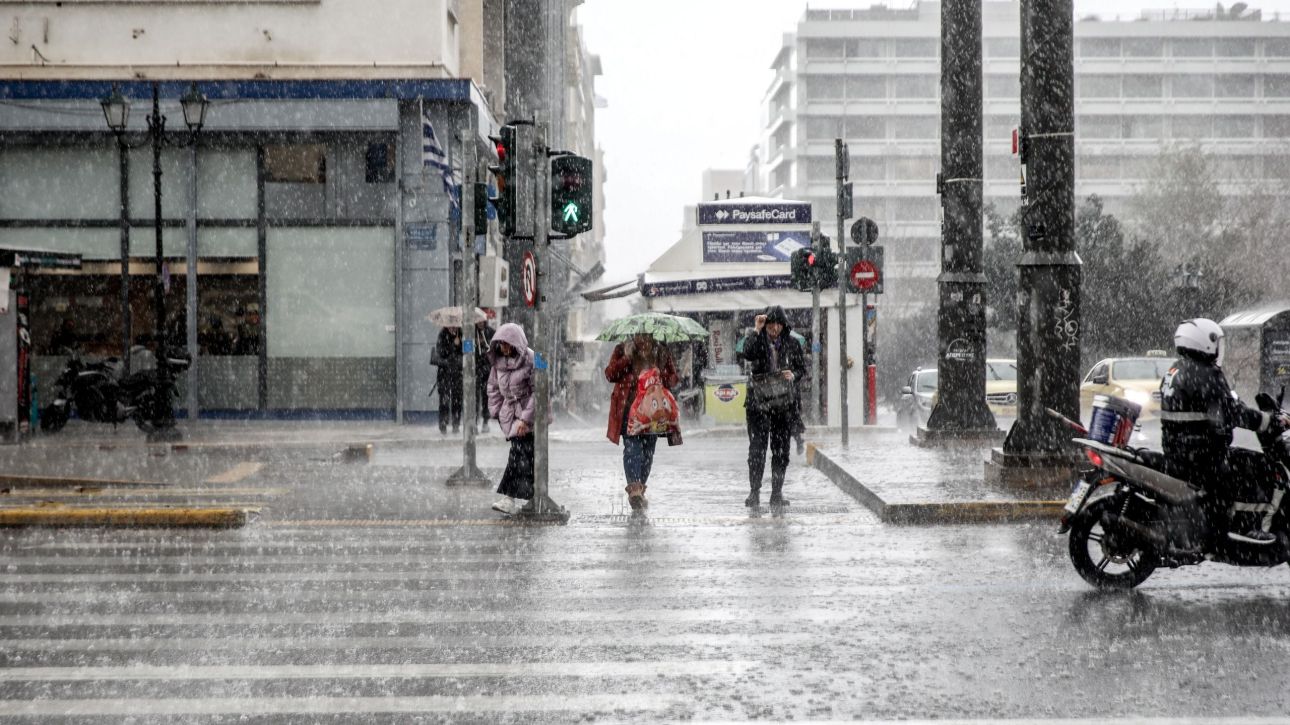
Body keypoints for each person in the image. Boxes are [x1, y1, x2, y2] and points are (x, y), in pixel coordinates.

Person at [1161, 318, 1289, 545]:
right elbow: (1232, 412)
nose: (1220, 349)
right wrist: (1268, 421)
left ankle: (1222, 525)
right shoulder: (1207, 374)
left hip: (1180, 450)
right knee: (1260, 467)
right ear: (1204, 342)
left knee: (1241, 464)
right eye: (1216, 342)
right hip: (1203, 456)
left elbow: (1217, 409)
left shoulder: (1176, 368)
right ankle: (1250, 527)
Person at [742, 305, 807, 509]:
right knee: (757, 450)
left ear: (784, 325)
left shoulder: (793, 344)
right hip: (758, 404)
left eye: (779, 324)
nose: (775, 328)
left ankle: (777, 493)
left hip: (784, 405)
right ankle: (754, 492)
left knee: (781, 451)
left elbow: (801, 369)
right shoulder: (757, 339)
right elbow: (747, 353)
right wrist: (756, 329)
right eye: (771, 324)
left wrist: (793, 375)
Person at [605, 332, 678, 510]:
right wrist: (627, 358)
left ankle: (640, 489)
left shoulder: (661, 351)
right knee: (632, 448)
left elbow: (672, 379)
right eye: (638, 334)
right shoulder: (623, 349)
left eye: (645, 334)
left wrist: (662, 375)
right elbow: (610, 374)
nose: (642, 338)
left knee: (648, 452)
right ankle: (634, 490)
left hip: (653, 412)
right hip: (628, 409)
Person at [487, 323, 536, 515]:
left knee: (520, 456)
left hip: (528, 417)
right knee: (522, 456)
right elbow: (493, 388)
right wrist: (498, 412)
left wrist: (525, 419)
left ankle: (510, 498)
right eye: (500, 344)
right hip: (511, 415)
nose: (504, 348)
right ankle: (529, 497)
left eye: (507, 344)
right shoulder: (498, 363)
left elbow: (538, 391)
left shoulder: (532, 359)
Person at [433, 325, 464, 435]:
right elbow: (440, 352)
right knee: (444, 401)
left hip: (458, 374)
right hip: (444, 374)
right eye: (451, 326)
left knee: (457, 400)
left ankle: (456, 424)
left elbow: (468, 352)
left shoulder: (462, 333)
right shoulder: (442, 334)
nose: (453, 328)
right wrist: (452, 345)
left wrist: (460, 344)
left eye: (455, 326)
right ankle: (443, 424)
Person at [474, 319, 494, 433]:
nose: (480, 323)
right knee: (475, 398)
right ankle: (475, 422)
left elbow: (494, 349)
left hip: (487, 371)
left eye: (482, 321)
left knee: (486, 397)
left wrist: (485, 344)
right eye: (478, 321)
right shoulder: (471, 333)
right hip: (475, 371)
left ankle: (485, 421)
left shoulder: (490, 332)